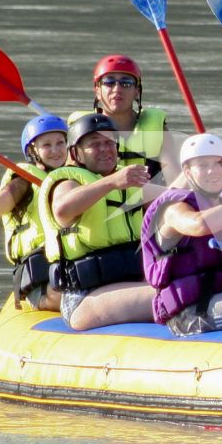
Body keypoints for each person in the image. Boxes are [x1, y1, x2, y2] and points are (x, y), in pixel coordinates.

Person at [38, 112, 156, 329]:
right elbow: (63, 210)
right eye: (95, 144)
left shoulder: (131, 181)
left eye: (110, 142)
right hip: (84, 297)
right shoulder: (68, 180)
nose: (105, 148)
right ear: (76, 153)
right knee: (172, 295)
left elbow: (170, 204)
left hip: (130, 284)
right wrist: (112, 182)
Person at [141, 133, 222, 336]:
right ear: (187, 171)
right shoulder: (172, 208)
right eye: (202, 165)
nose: (212, 171)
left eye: (217, 163)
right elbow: (199, 225)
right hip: (189, 313)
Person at [0, 113, 67, 311]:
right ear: (33, 151)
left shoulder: (72, 178)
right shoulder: (22, 183)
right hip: (39, 280)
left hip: (65, 269)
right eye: (46, 145)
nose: (55, 150)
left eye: (60, 143)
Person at [86, 54, 181, 187]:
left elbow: (175, 181)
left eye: (126, 83)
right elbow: (69, 176)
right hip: (98, 204)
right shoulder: (82, 130)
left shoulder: (157, 129)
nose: (117, 89)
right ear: (97, 90)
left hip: (148, 205)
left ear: (137, 91)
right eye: (109, 82)